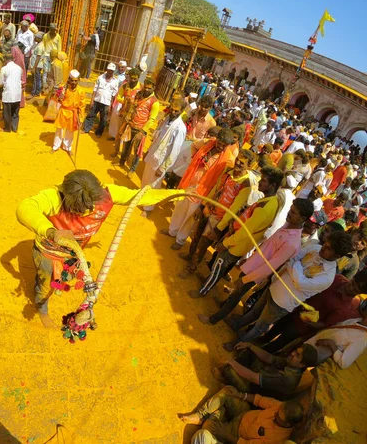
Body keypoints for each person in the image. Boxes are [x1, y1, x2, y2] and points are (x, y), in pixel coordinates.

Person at [16, 169, 182, 327]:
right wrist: (51, 231)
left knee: (61, 280)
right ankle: (42, 308)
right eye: (78, 208)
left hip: (74, 254)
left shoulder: (108, 194)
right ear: (67, 197)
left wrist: (179, 194)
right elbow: (25, 208)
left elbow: (143, 196)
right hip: (48, 253)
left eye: (90, 205)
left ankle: (55, 284)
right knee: (45, 285)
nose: (87, 211)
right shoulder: (55, 196)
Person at [224, 231, 353, 350]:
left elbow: (300, 281)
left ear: (337, 256)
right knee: (254, 312)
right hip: (275, 285)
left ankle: (237, 344)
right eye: (326, 243)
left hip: (282, 303)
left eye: (329, 248)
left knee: (259, 327)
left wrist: (295, 265)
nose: (324, 247)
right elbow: (293, 257)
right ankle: (236, 325)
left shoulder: (328, 276)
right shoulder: (316, 249)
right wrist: (296, 269)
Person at [199, 198, 315, 326]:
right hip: (252, 265)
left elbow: (269, 267)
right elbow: (268, 247)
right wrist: (250, 259)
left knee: (237, 295)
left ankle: (213, 319)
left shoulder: (293, 243)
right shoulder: (287, 225)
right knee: (235, 293)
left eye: (293, 212)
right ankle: (222, 305)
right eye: (290, 209)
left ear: (302, 218)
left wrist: (245, 279)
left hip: (256, 273)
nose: (289, 213)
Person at [190, 166, 284, 299]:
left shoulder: (265, 208)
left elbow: (246, 232)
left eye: (263, 181)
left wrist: (226, 243)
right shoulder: (271, 201)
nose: (259, 182)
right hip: (237, 241)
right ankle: (207, 283)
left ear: (273, 185)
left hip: (235, 244)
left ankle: (202, 291)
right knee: (218, 267)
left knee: (218, 267)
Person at [182, 149, 256, 274]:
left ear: (248, 166)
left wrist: (219, 228)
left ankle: (191, 267)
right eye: (238, 159)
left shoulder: (246, 186)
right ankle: (189, 256)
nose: (237, 163)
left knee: (203, 244)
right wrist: (203, 206)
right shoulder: (227, 172)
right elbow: (215, 189)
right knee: (196, 236)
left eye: (242, 163)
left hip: (218, 219)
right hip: (208, 210)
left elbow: (233, 209)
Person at [262, 271, 367, 355]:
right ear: (353, 278)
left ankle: (257, 356)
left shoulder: (344, 308)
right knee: (271, 332)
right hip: (294, 310)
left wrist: (312, 323)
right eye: (353, 283)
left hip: (300, 327)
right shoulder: (337, 278)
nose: (351, 288)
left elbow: (326, 324)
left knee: (277, 344)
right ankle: (256, 344)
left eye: (355, 290)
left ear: (360, 293)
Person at [167, 128, 239, 250]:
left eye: (224, 145)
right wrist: (197, 157)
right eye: (220, 143)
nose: (221, 147)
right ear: (217, 139)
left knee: (190, 216)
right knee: (180, 207)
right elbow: (194, 145)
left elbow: (224, 180)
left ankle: (180, 240)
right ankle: (172, 231)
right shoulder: (207, 143)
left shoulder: (229, 159)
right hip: (190, 182)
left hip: (204, 191)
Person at [179, 386, 303, 444]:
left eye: (278, 416)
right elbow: (260, 400)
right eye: (277, 410)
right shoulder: (281, 407)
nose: (275, 413)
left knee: (207, 428)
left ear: (287, 423)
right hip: (244, 412)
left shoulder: (277, 440)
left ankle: (216, 415)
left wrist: (224, 434)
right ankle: (201, 415)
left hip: (236, 433)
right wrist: (239, 395)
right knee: (228, 391)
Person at [218, 343, 319, 400]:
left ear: (302, 365)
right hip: (261, 374)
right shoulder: (292, 363)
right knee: (250, 352)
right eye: (296, 351)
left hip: (253, 390)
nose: (292, 353)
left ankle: (226, 378)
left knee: (229, 370)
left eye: (297, 355)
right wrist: (250, 346)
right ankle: (229, 377)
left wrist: (231, 362)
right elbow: (269, 357)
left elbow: (253, 378)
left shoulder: (288, 378)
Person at [117, 77, 160, 177]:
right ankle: (122, 161)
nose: (146, 90)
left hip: (140, 129)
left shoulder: (155, 102)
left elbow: (152, 119)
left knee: (137, 151)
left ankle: (132, 170)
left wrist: (142, 132)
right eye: (145, 87)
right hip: (130, 125)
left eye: (149, 88)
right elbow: (132, 107)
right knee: (126, 145)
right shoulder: (139, 95)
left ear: (154, 88)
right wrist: (128, 117)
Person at [53, 69, 85, 153]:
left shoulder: (81, 91)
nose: (74, 82)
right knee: (59, 129)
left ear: (78, 81)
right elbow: (56, 99)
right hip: (63, 111)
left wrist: (81, 118)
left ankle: (67, 147)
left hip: (73, 113)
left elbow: (82, 106)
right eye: (72, 80)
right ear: (69, 80)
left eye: (75, 81)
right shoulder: (63, 88)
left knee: (70, 131)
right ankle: (55, 146)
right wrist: (59, 96)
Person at [83, 63, 119, 137]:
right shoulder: (100, 77)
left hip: (107, 103)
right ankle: (86, 129)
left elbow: (114, 94)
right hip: (97, 100)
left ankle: (99, 133)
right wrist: (92, 100)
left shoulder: (115, 81)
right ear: (107, 69)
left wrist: (111, 105)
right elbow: (95, 89)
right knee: (91, 115)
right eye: (109, 70)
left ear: (113, 71)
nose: (110, 72)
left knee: (103, 119)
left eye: (111, 71)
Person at [108, 68, 140, 143]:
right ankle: (117, 144)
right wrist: (125, 101)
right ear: (128, 76)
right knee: (120, 128)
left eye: (135, 78)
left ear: (138, 77)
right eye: (131, 78)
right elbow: (118, 97)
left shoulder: (141, 88)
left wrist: (134, 103)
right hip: (124, 111)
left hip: (134, 114)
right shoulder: (125, 86)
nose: (132, 80)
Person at [0, 52, 23, 133]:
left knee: (7, 113)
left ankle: (7, 128)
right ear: (13, 59)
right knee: (15, 113)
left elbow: (0, 82)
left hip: (8, 94)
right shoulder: (19, 68)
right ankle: (15, 127)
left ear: (5, 60)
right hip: (17, 94)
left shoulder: (4, 69)